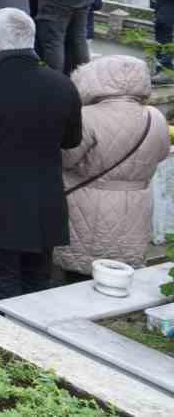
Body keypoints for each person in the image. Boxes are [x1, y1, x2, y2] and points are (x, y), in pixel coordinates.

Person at [0, 8, 83, 303]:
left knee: (1, 290)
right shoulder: (62, 85)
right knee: (38, 287)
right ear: (30, 40)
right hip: (46, 203)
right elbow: (72, 140)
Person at [54, 55, 171, 279]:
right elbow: (162, 154)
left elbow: (65, 159)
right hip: (136, 209)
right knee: (120, 278)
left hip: (87, 209)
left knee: (79, 279)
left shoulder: (86, 117)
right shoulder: (154, 117)